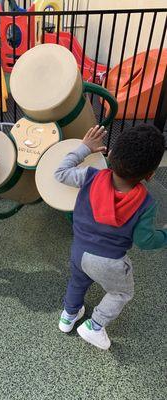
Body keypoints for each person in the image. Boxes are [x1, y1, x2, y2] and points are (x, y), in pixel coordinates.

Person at [54, 124, 167, 350]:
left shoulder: (89, 177)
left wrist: (84, 148)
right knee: (122, 292)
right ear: (150, 175)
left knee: (78, 281)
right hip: (111, 262)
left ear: (112, 154)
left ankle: (68, 317)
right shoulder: (145, 204)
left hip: (79, 251)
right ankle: (94, 326)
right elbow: (145, 241)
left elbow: (60, 173)